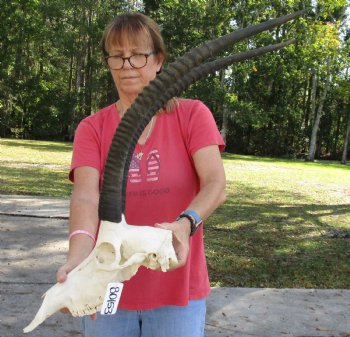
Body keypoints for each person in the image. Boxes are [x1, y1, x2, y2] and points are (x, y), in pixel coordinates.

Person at [56, 12, 226, 337]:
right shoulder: (92, 128)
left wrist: (185, 223)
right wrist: (77, 260)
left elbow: (215, 185)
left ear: (158, 60)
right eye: (117, 57)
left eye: (138, 55)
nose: (127, 65)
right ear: (108, 63)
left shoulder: (191, 115)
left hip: (178, 290)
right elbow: (86, 196)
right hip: (108, 286)